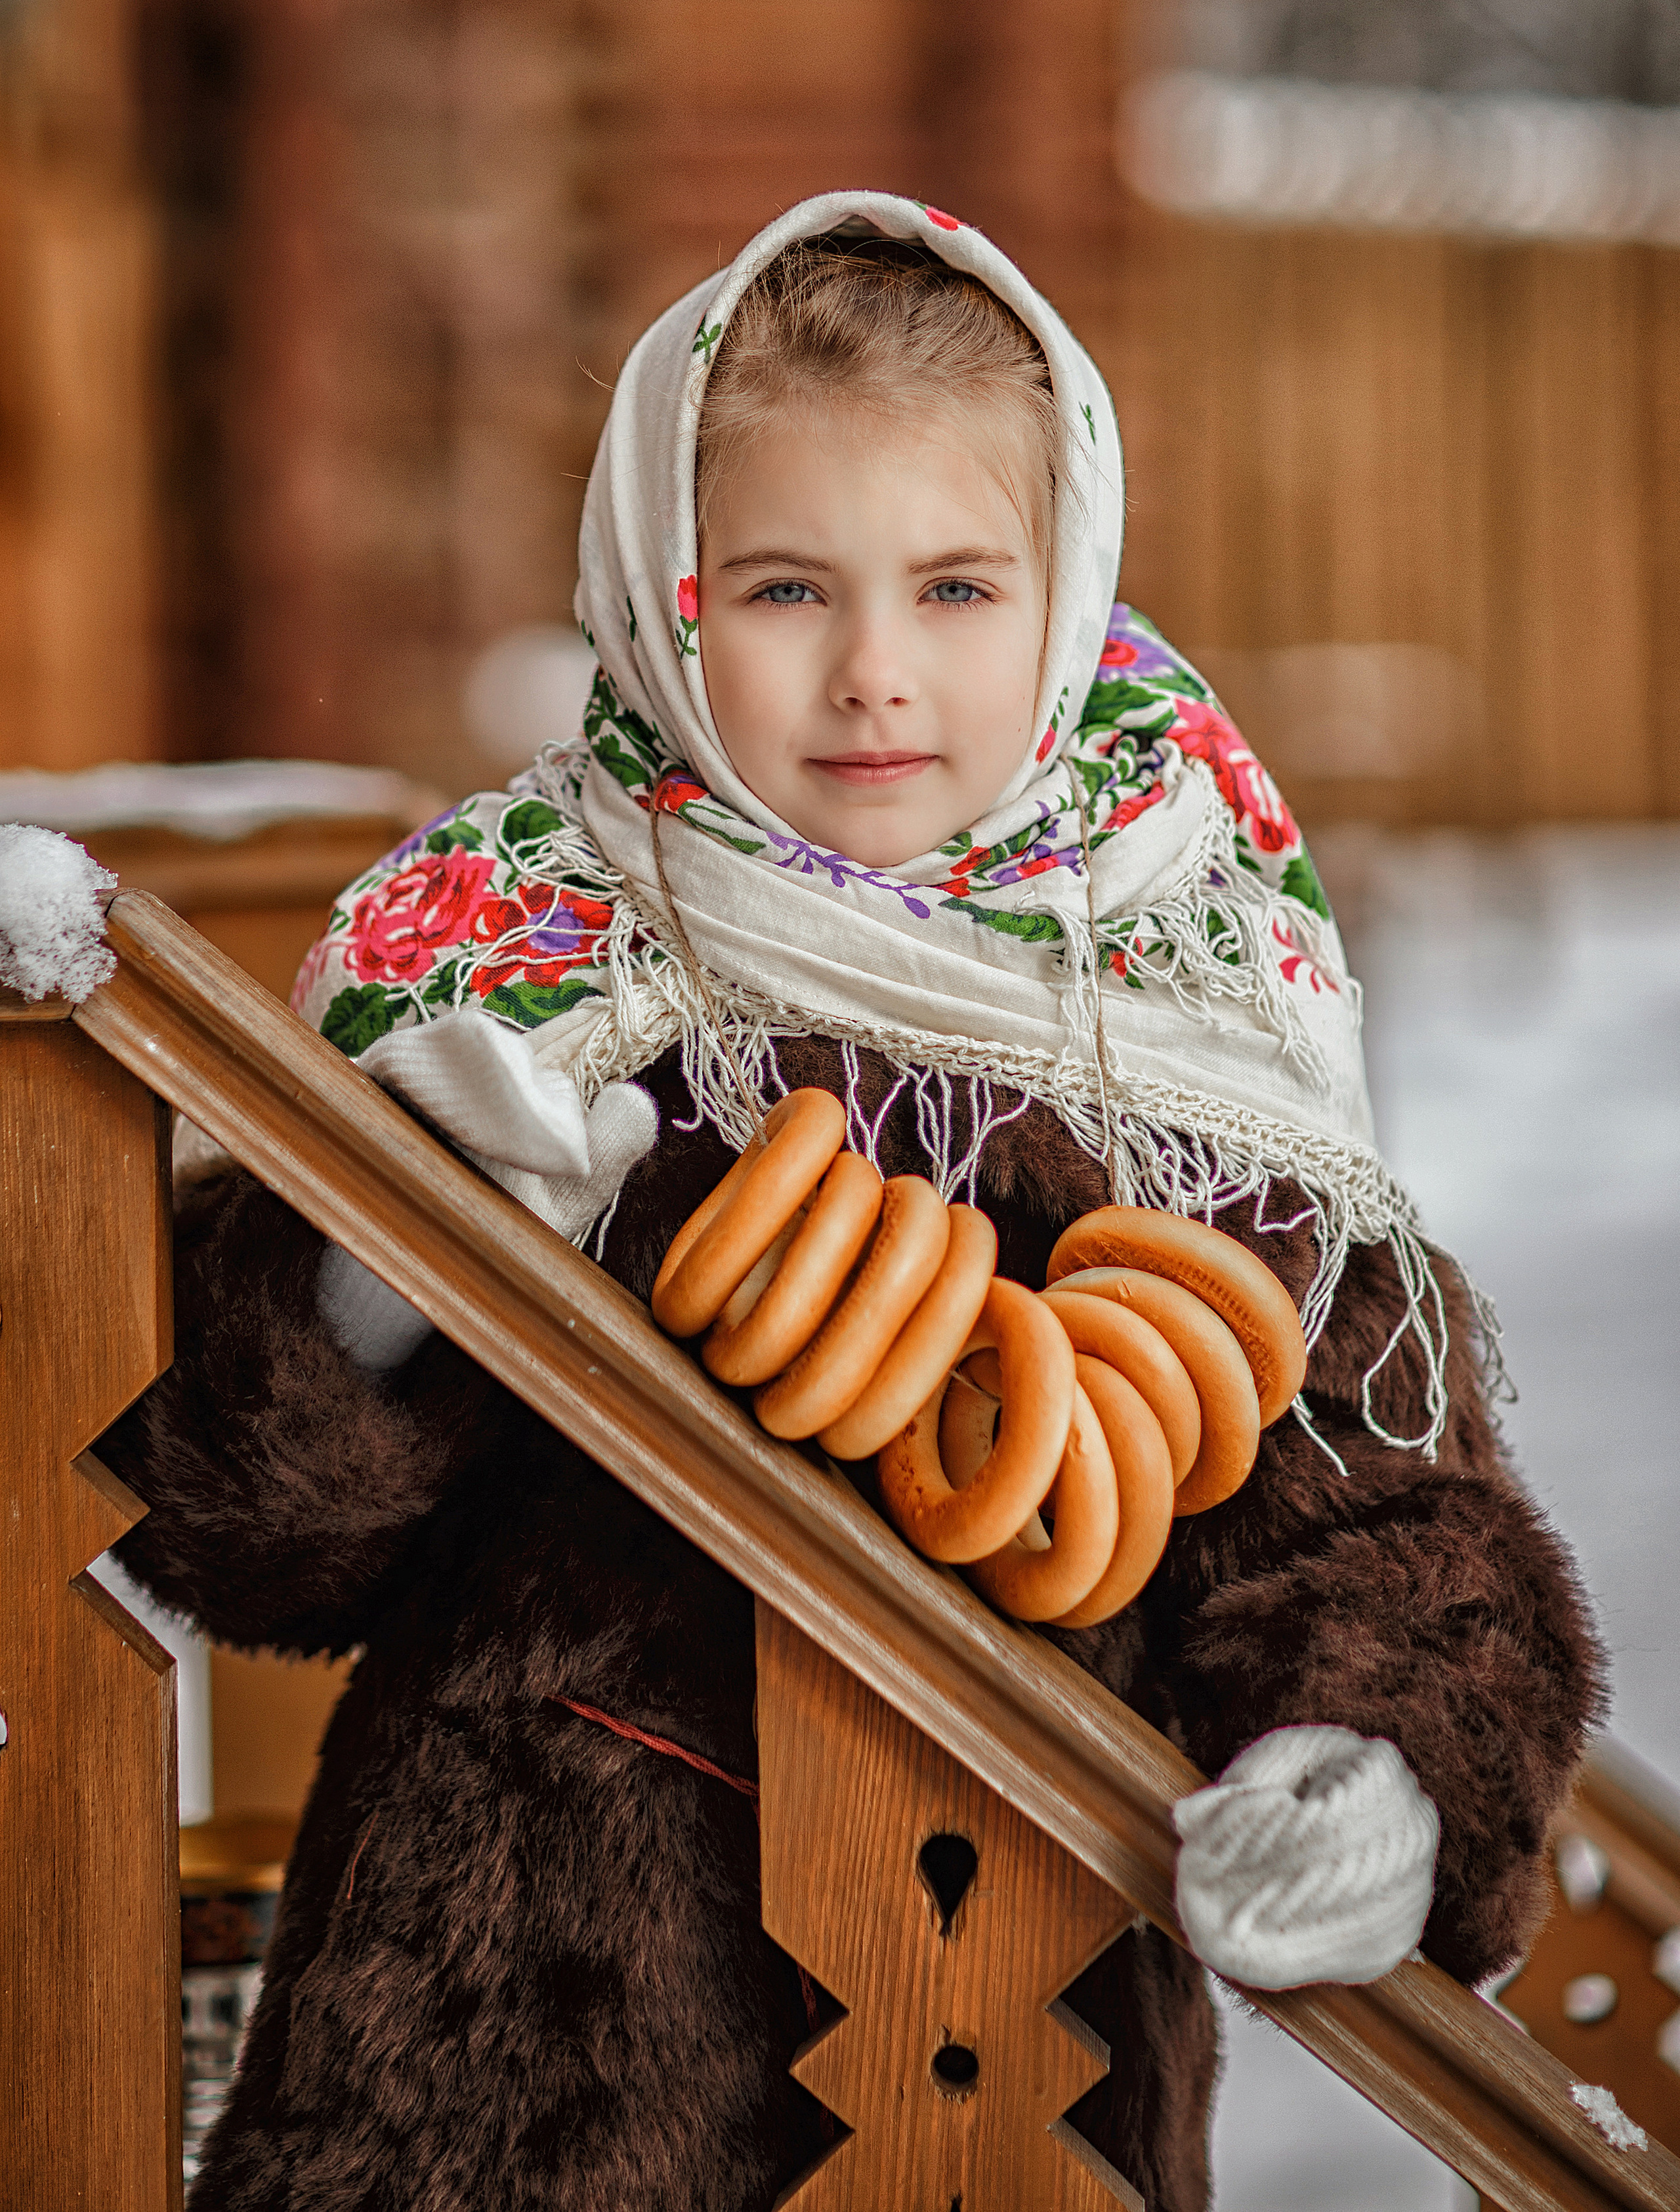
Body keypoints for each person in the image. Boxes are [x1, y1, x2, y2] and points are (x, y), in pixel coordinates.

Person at [106, 193, 1601, 2211]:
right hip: (484, 2079)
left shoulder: (1186, 1039)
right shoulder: (523, 982)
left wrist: (1389, 1765)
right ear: (662, 592)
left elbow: (1397, 1512)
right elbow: (246, 1536)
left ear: (1070, 602)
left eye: (962, 589)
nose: (878, 676)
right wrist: (396, 1252)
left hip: (1009, 2084)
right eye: (789, 589)